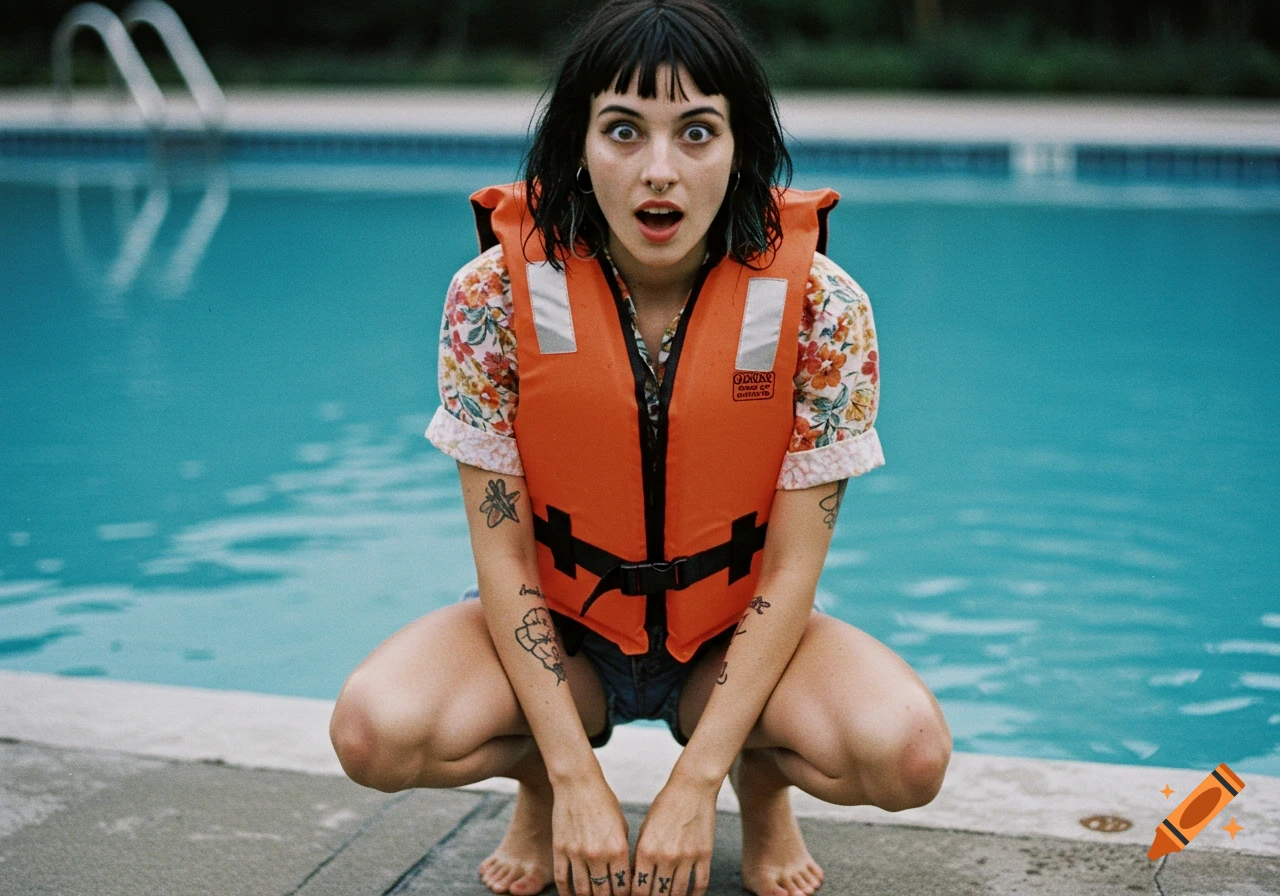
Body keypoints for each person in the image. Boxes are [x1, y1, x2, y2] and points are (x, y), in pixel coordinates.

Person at [328, 2, 951, 895]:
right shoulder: (490, 299)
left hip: (731, 633)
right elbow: (502, 558)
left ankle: (759, 782)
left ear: (742, 147)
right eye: (623, 130)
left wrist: (695, 786)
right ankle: (543, 780)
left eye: (697, 131)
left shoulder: (824, 308)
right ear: (578, 142)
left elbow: (790, 574)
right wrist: (581, 782)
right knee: (372, 733)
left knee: (907, 756)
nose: (660, 172)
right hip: (564, 630)